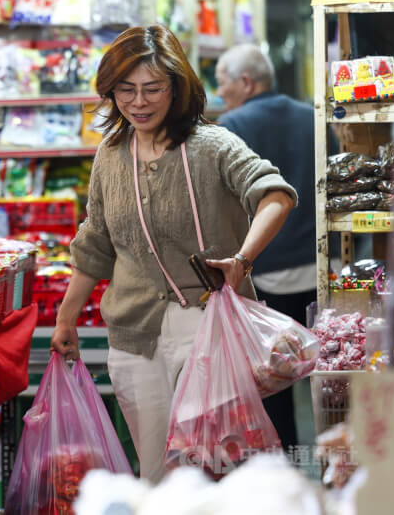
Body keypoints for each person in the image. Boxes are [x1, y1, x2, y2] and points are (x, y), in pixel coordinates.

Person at [49, 25, 297, 483]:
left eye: (152, 89)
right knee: (155, 473)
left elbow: (275, 195)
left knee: (214, 469)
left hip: (208, 326)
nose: (138, 102)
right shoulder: (110, 154)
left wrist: (241, 260)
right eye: (125, 90)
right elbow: (96, 241)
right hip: (133, 335)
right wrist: (66, 319)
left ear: (177, 87)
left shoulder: (211, 145)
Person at [215, 44, 334, 452]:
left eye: (223, 84)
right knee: (329, 376)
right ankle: (335, 458)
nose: (221, 93)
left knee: (274, 380)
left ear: (246, 82)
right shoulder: (311, 117)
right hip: (321, 268)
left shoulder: (231, 126)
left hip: (266, 274)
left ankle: (287, 468)